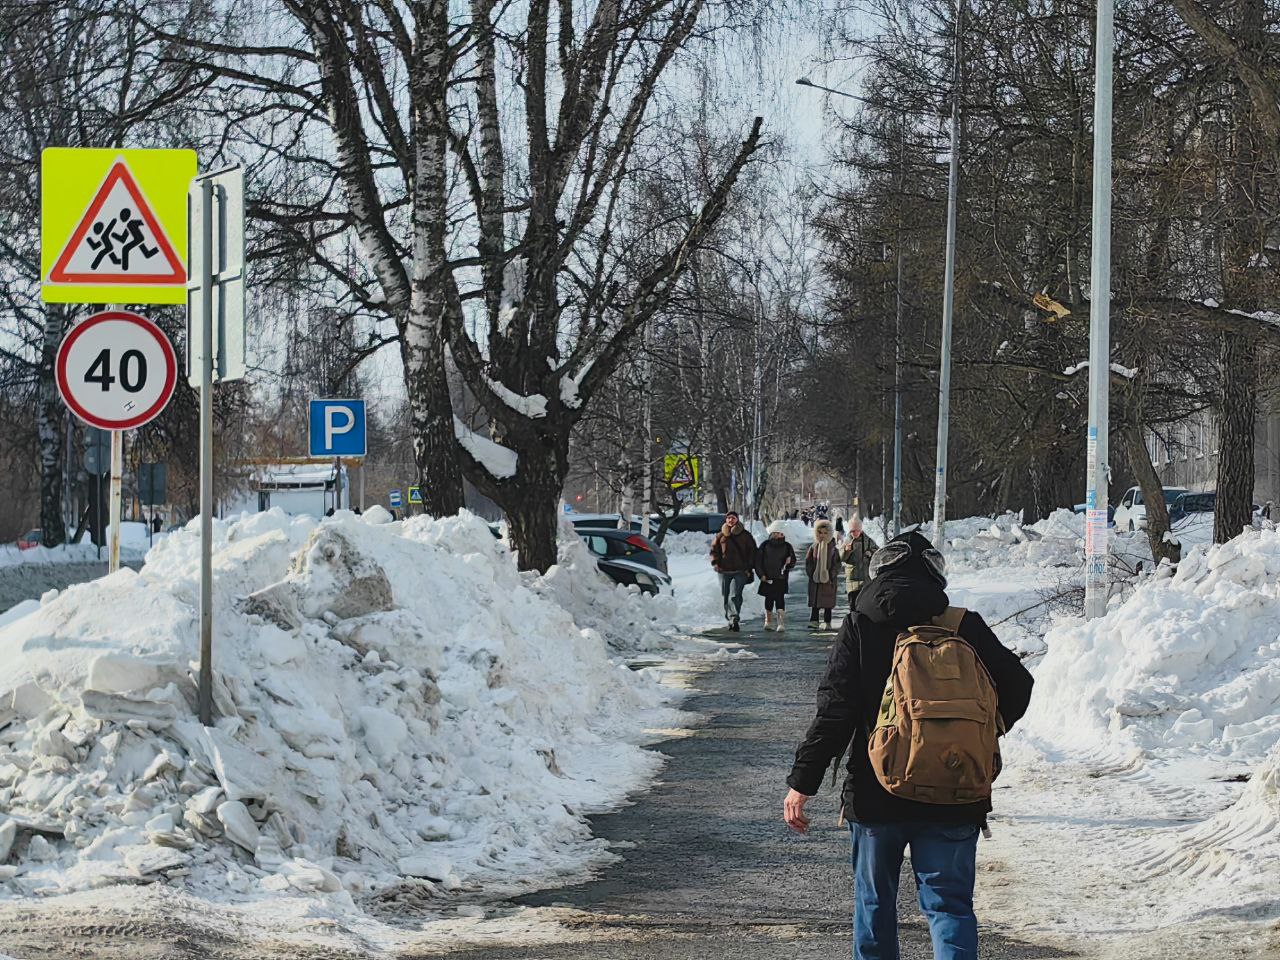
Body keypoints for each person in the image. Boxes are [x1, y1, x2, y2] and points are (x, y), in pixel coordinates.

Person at [783, 531, 1034, 960]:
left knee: (875, 905)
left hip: (876, 791)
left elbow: (836, 710)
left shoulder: (862, 621)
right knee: (949, 906)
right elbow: (1019, 684)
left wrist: (802, 783)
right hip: (955, 788)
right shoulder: (962, 623)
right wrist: (973, 733)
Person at [710, 511, 757, 632]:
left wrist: (749, 567)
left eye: (733, 518)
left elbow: (753, 552)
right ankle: (729, 617)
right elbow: (714, 551)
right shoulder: (720, 536)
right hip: (724, 571)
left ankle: (734, 617)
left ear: (737, 519)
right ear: (726, 520)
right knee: (725, 595)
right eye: (729, 518)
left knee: (735, 595)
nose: (731, 520)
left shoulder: (745, 535)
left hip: (740, 571)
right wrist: (716, 564)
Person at [756, 521, 797, 632]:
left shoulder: (787, 546)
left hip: (781, 578)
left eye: (781, 533)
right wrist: (761, 575)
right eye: (777, 533)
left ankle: (781, 622)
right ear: (772, 533)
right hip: (767, 577)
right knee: (768, 599)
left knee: (780, 599)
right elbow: (758, 561)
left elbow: (793, 561)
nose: (779, 535)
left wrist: (789, 562)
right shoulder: (765, 545)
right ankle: (768, 621)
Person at [805, 518, 840, 629]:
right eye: (820, 533)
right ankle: (814, 620)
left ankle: (827, 621)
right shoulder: (813, 547)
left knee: (827, 602)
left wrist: (830, 575)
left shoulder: (833, 549)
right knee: (815, 601)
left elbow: (837, 564)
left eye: (825, 533)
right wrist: (811, 573)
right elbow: (808, 561)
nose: (822, 535)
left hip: (828, 580)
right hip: (815, 579)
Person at [840, 517, 879, 612]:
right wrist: (846, 551)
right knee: (853, 605)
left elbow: (878, 553)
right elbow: (841, 558)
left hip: (865, 578)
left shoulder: (868, 541)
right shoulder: (847, 541)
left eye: (857, 530)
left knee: (864, 606)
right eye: (852, 531)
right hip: (852, 578)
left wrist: (870, 553)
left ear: (860, 530)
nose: (855, 533)